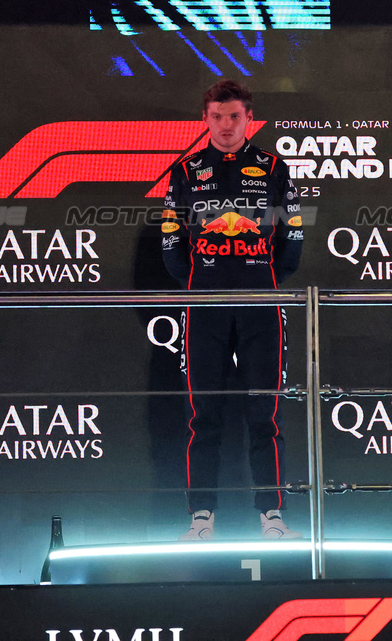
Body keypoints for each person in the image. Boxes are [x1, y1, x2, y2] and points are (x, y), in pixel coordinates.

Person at [161, 80, 305, 540]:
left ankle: (272, 516)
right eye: (217, 117)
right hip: (204, 306)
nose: (226, 126)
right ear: (205, 119)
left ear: (249, 119)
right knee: (204, 414)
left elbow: (294, 234)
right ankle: (201, 516)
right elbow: (170, 241)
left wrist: (261, 276)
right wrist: (200, 281)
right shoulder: (185, 170)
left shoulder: (274, 168)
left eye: (235, 117)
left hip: (261, 303)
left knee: (265, 413)